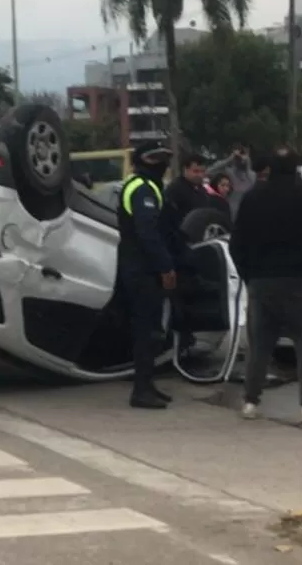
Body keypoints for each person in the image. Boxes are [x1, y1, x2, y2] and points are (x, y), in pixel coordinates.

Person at [229, 146, 302, 425]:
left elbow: (237, 243)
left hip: (262, 283)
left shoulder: (252, 198)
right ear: (296, 168)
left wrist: (248, 274)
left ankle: (251, 402)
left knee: (259, 346)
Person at [115, 140, 185, 409]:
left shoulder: (149, 186)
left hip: (141, 267)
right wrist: (165, 266)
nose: (164, 164)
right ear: (145, 161)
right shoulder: (141, 188)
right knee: (146, 331)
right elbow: (149, 235)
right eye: (158, 159)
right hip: (142, 270)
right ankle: (141, 390)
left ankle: (148, 385)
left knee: (152, 329)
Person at [208, 144, 257, 215]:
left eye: (244, 154)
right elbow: (209, 171)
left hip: (246, 212)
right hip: (229, 210)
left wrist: (247, 164)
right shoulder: (228, 172)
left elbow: (252, 184)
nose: (241, 157)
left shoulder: (252, 175)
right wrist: (229, 160)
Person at [164, 153, 209, 228]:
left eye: (203, 171)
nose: (200, 175)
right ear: (185, 169)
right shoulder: (175, 189)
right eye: (196, 171)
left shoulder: (202, 190)